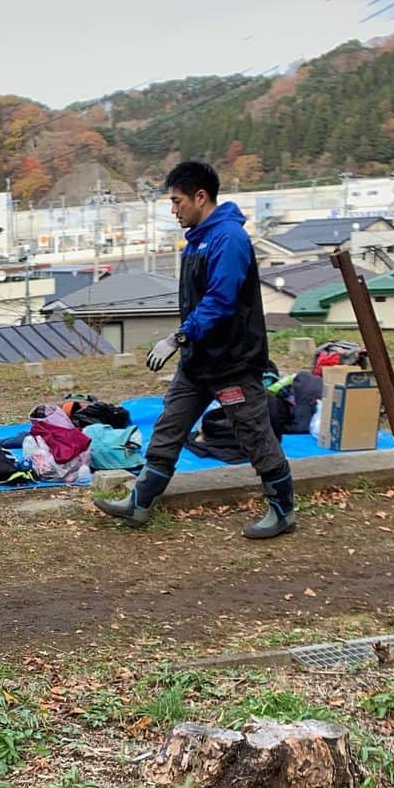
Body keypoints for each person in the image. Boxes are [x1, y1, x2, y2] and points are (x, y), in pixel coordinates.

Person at [94, 161, 295, 539]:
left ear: (200, 197)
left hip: (232, 362)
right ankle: (139, 503)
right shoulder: (199, 238)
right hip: (198, 361)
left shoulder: (228, 239)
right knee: (169, 426)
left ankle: (283, 510)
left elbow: (220, 300)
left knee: (253, 433)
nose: (173, 210)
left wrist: (176, 338)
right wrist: (186, 343)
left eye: (177, 201)